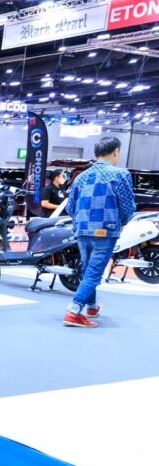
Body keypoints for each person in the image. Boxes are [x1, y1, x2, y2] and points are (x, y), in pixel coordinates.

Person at [62, 136, 137, 328]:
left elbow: (70, 207)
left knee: (88, 270)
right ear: (116, 152)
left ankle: (92, 307)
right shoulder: (120, 174)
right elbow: (128, 207)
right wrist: (121, 222)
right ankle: (73, 311)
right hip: (106, 230)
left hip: (82, 230)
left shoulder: (81, 177)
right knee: (94, 273)